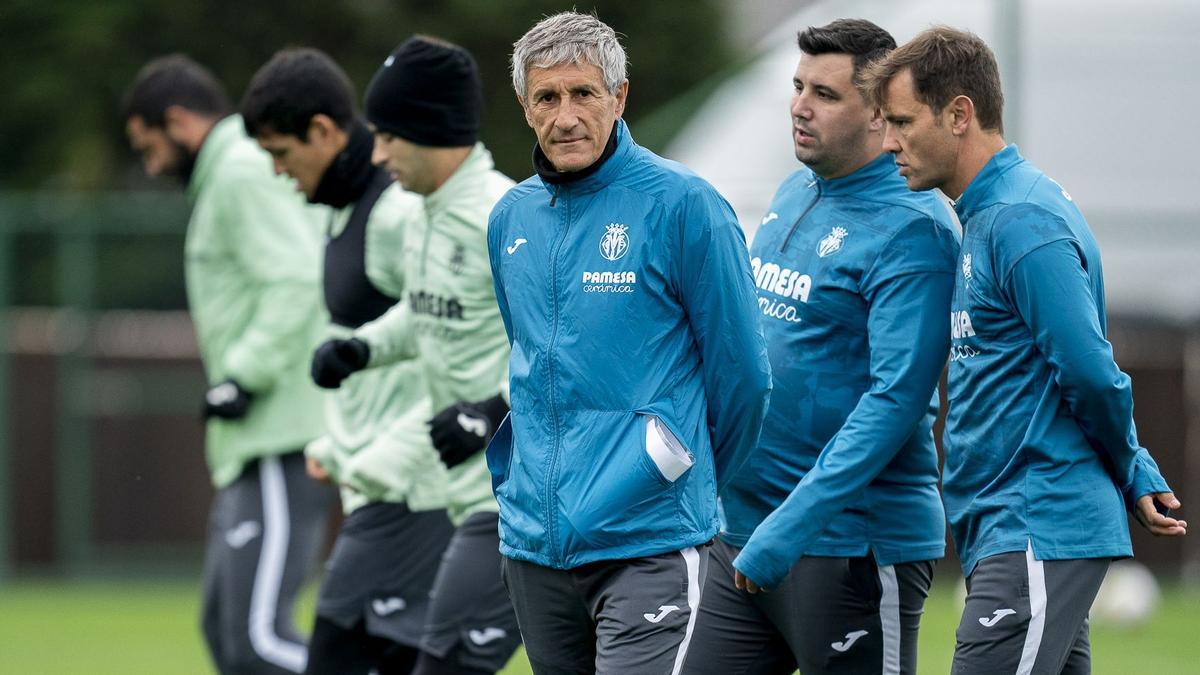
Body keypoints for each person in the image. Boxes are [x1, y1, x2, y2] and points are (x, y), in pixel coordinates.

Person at [861, 26, 1188, 674]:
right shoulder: (982, 215)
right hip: (1008, 531)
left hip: (1036, 524)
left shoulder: (1021, 220)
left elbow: (1091, 370)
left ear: (959, 114)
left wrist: (1132, 465)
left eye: (901, 121)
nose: (888, 142)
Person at [486, 12, 772, 675]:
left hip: (648, 542)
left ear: (619, 97)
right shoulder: (510, 218)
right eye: (547, 98)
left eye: (583, 93)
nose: (566, 116)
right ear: (525, 108)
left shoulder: (685, 205)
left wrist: (678, 477)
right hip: (533, 547)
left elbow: (745, 379)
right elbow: (530, 362)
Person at [682, 19, 960, 675]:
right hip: (742, 531)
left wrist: (789, 528)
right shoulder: (793, 188)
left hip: (848, 545)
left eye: (826, 94)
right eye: (798, 86)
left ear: (876, 113)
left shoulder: (914, 228)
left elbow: (895, 401)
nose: (801, 106)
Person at [308, 36, 521, 674]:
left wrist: (494, 409)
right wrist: (361, 348)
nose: (376, 154)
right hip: (465, 492)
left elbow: (564, 342)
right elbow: (428, 309)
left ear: (432, 130)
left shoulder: (501, 218)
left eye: (389, 137)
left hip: (515, 495)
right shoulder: (423, 212)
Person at [239, 48, 456, 675]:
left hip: (417, 495)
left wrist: (396, 455)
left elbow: (451, 343)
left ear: (325, 132)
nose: (279, 172)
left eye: (282, 153)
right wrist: (338, 443)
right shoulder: (342, 208)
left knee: (335, 654)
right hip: (375, 487)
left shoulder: (396, 217)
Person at [122, 55, 335, 674]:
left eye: (149, 146)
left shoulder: (240, 170)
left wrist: (242, 375)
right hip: (255, 441)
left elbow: (297, 280)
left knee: (257, 641)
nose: (151, 164)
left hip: (281, 433)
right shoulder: (232, 172)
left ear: (178, 120)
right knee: (224, 630)